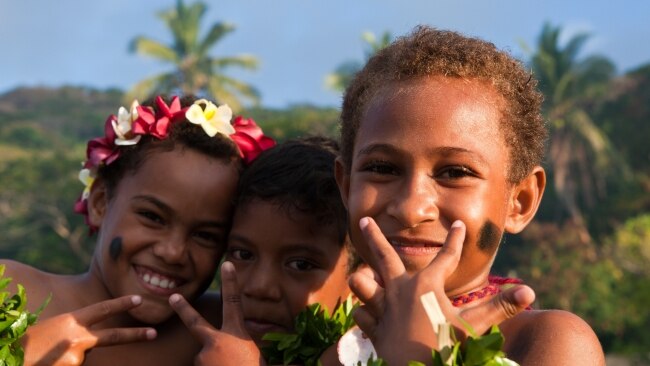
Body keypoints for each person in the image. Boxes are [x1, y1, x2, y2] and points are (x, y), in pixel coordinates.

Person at [333, 25, 606, 365]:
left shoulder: (548, 342)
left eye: (455, 173)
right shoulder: (332, 347)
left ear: (519, 201)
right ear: (346, 186)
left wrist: (413, 357)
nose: (411, 208)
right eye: (383, 169)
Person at [1, 95, 273, 365]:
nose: (173, 252)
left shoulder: (232, 332)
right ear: (99, 203)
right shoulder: (11, 289)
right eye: (152, 217)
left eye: (205, 235)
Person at [169, 136, 356, 365]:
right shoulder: (197, 332)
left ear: (361, 279)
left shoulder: (384, 354)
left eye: (300, 264)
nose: (260, 287)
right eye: (243, 254)